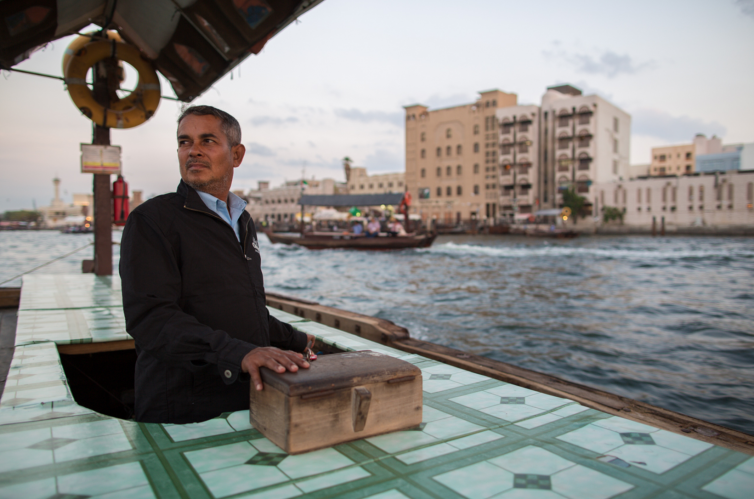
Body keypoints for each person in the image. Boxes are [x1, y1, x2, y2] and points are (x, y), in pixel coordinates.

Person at [119, 106, 314, 424]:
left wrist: (298, 340)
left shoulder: (243, 221)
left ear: (236, 155)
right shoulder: (153, 220)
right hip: (183, 405)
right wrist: (240, 353)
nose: (193, 150)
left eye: (207, 140)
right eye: (184, 142)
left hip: (246, 395)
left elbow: (242, 307)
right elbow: (151, 319)